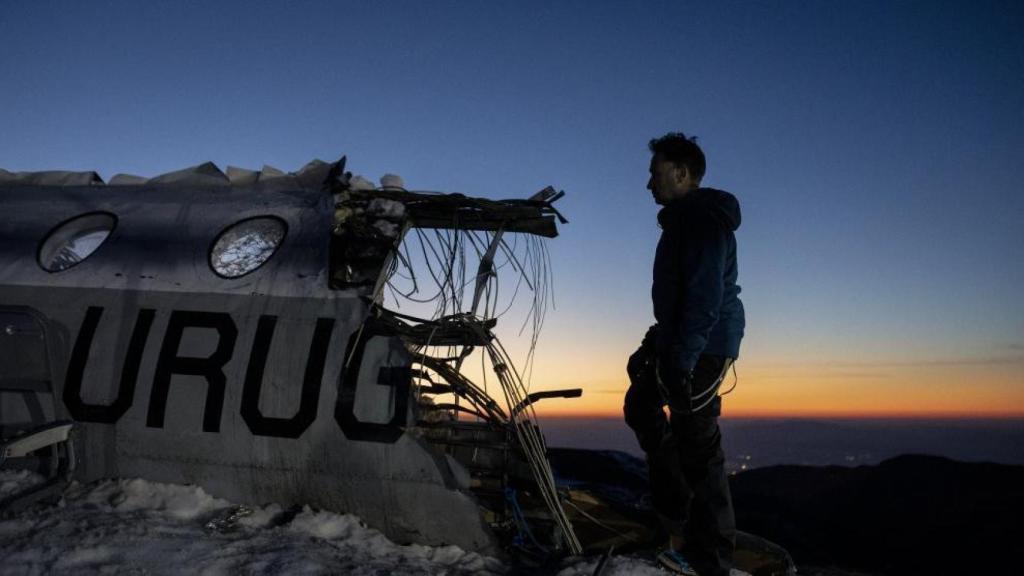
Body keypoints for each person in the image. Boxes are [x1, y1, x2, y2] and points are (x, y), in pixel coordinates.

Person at [624, 132, 745, 576]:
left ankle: (710, 560)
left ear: (682, 173)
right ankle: (677, 512)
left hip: (705, 346)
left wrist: (681, 360)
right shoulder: (682, 220)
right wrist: (654, 343)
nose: (648, 183)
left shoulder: (700, 221)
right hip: (684, 339)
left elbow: (704, 300)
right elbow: (679, 301)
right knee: (641, 405)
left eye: (654, 173)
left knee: (697, 441)